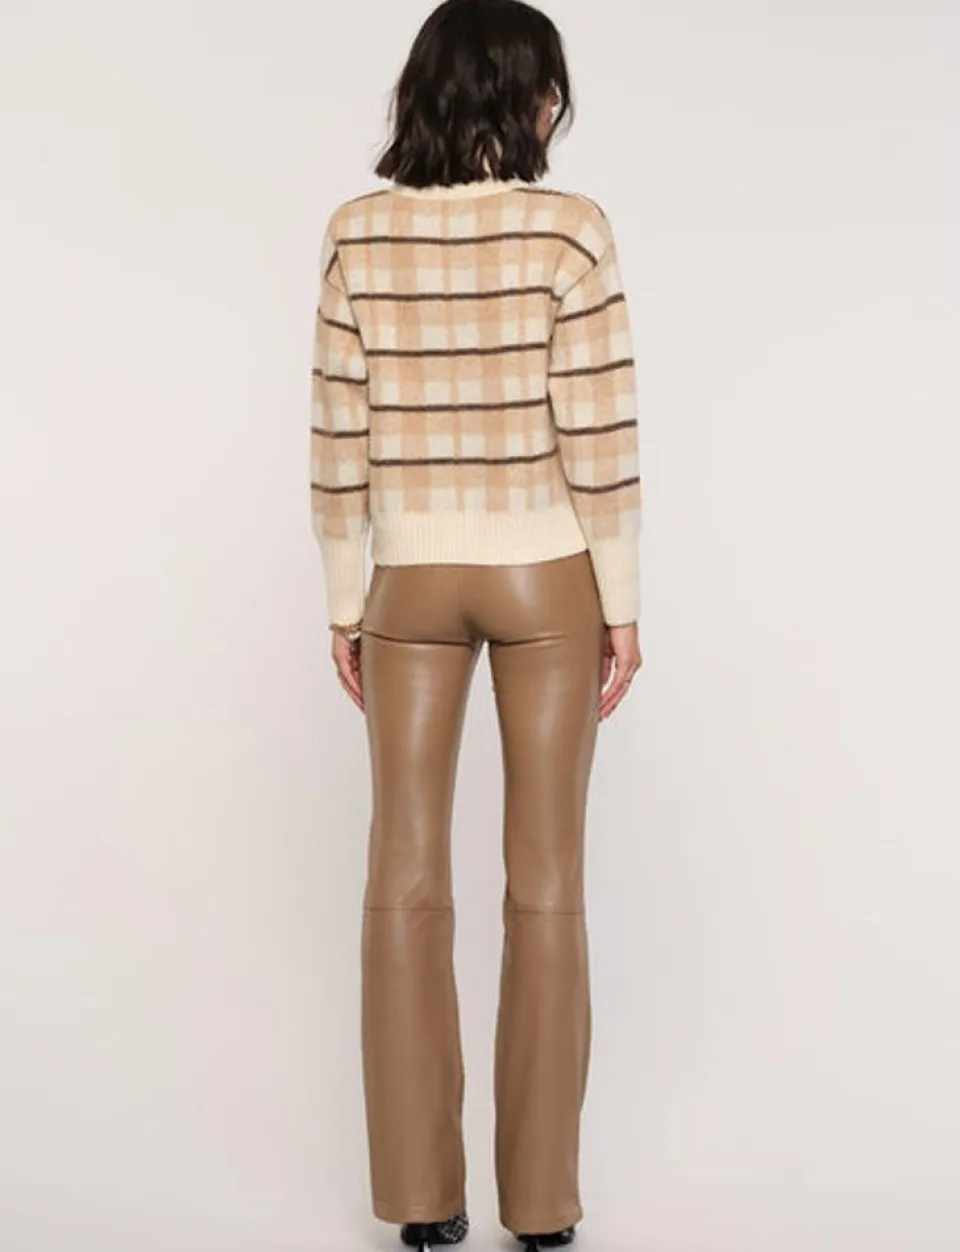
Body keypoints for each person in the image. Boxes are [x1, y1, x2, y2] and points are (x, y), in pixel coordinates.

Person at [310, 1, 643, 1247]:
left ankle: (421, 1206)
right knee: (545, 884)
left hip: (408, 579)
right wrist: (622, 602)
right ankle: (544, 1211)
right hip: (545, 573)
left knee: (402, 876)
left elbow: (336, 434)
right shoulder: (570, 231)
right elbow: (599, 429)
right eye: (550, 89)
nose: (556, 110)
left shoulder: (356, 234)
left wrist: (345, 595)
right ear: (525, 95)